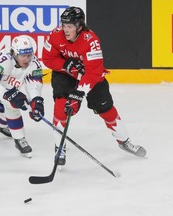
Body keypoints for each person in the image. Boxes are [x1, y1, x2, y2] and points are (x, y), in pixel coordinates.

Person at [42, 6, 147, 166]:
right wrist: (65, 64)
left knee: (107, 109)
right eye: (64, 25)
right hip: (65, 75)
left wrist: (79, 93)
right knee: (61, 106)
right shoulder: (56, 35)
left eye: (69, 26)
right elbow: (48, 59)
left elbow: (94, 72)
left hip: (89, 76)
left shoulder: (91, 40)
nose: (65, 29)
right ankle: (59, 146)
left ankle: (123, 141)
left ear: (79, 26)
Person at [0, 35, 44, 158]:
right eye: (23, 56)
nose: (27, 59)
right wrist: (8, 95)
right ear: (14, 53)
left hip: (4, 77)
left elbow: (34, 83)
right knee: (11, 104)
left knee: (10, 102)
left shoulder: (33, 62)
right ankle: (19, 139)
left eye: (29, 55)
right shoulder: (3, 60)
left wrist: (35, 101)